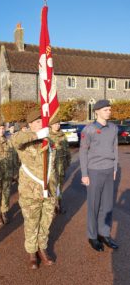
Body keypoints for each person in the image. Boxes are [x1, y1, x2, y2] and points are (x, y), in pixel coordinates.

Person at [11, 109, 57, 270]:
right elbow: (15, 140)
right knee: (31, 223)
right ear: (30, 124)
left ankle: (42, 248)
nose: (41, 124)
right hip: (30, 191)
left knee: (46, 223)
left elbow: (53, 166)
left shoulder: (49, 141)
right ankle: (32, 252)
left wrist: (56, 189)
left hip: (49, 190)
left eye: (42, 121)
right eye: (37, 122)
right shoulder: (23, 138)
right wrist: (37, 134)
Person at [79, 100, 118, 252]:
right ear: (97, 112)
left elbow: (115, 148)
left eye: (109, 109)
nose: (109, 111)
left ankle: (105, 234)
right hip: (94, 171)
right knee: (94, 206)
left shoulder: (113, 128)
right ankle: (93, 236)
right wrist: (84, 174)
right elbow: (83, 152)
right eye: (106, 110)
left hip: (109, 171)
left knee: (107, 205)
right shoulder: (88, 130)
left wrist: (114, 168)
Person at [49, 117, 71, 214]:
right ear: (51, 125)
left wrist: (68, 162)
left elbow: (67, 151)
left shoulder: (63, 136)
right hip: (51, 167)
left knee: (60, 187)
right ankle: (52, 207)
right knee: (52, 187)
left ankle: (59, 204)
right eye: (55, 124)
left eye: (58, 124)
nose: (57, 125)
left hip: (61, 166)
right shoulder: (47, 136)